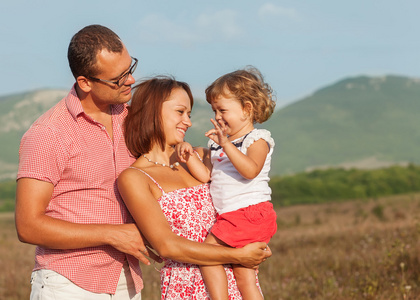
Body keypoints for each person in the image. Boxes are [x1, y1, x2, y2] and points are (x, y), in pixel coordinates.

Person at [15, 25, 158, 300]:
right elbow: (27, 225)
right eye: (119, 78)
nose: (131, 80)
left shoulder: (132, 119)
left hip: (128, 281)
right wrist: (113, 234)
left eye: (130, 68)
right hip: (69, 284)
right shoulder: (48, 133)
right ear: (85, 82)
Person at [117, 76, 272, 299]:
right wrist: (239, 256)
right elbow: (167, 246)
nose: (188, 122)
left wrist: (259, 243)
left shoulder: (203, 156)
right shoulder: (135, 178)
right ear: (151, 111)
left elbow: (248, 197)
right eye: (180, 112)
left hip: (235, 283)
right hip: (187, 287)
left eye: (189, 114)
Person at [175, 66, 277, 300]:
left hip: (248, 213)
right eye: (214, 110)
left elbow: (250, 170)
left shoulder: (257, 139)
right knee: (244, 277)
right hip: (234, 216)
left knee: (207, 254)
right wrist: (190, 155)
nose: (217, 117)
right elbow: (207, 177)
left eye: (222, 110)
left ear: (246, 109)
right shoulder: (220, 145)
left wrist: (227, 145)